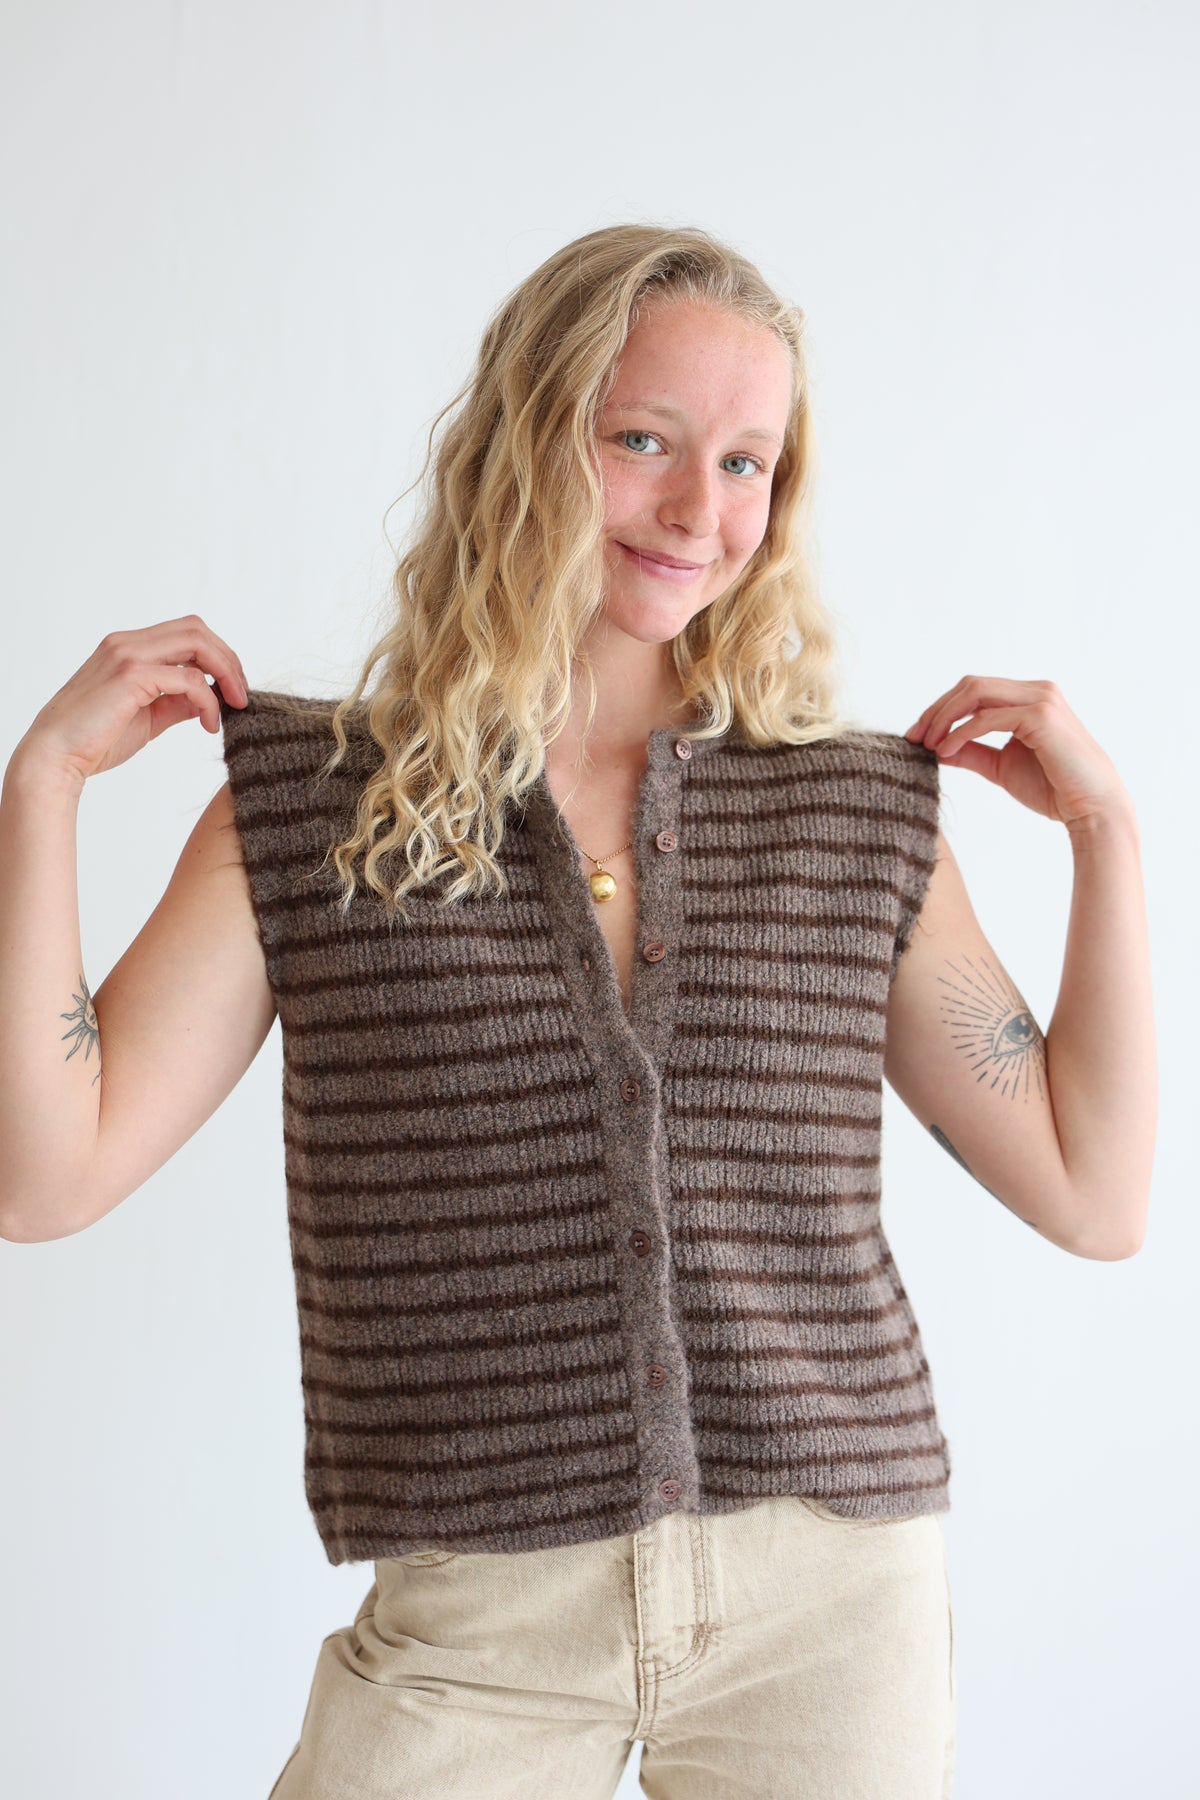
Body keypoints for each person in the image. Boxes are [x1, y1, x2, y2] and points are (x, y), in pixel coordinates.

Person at [0, 224, 1155, 1799]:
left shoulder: (848, 812)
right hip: (480, 1612)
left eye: (749, 464)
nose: (700, 510)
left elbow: (1095, 1192)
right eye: (644, 440)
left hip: (828, 1606)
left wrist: (1107, 837)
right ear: (529, 437)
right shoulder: (321, 807)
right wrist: (45, 789)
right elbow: (45, 1175)